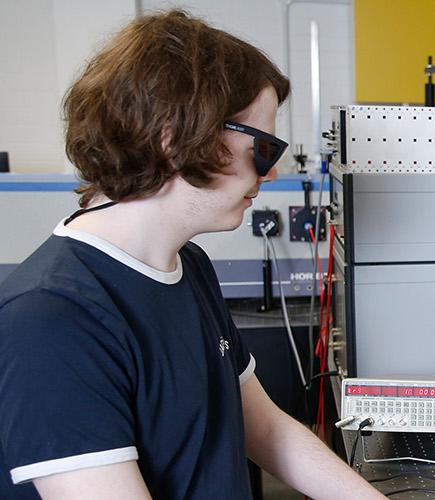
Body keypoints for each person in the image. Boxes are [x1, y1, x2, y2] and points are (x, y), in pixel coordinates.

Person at [0, 11, 386, 499]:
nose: (269, 175)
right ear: (175, 138)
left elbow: (262, 426)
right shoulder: (50, 319)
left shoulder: (188, 265)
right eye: (264, 149)